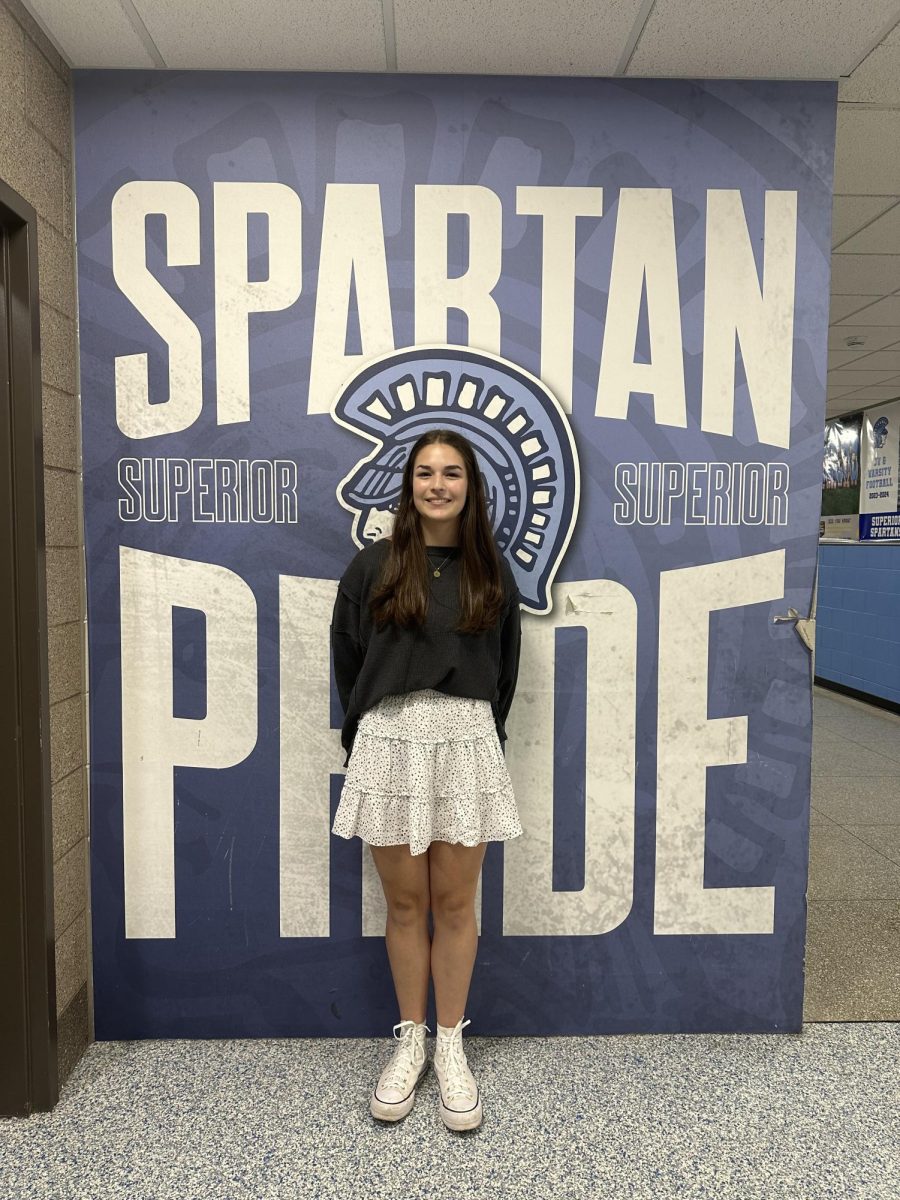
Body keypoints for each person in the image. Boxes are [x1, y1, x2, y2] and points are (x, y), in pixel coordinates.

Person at [330, 428, 524, 1132]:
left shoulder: (489, 572)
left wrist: (472, 730)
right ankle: (409, 1040)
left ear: (471, 486)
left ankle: (450, 1046)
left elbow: (504, 673)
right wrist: (373, 734)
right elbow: (348, 658)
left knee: (457, 903)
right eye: (423, 472)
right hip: (389, 741)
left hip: (465, 741)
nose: (436, 484)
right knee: (406, 906)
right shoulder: (374, 566)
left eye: (451, 473)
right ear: (407, 483)